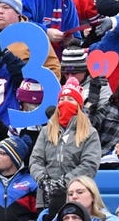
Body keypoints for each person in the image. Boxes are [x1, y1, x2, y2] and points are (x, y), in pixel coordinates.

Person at [29, 77, 101, 209]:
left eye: (70, 99)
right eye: (61, 99)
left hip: (77, 196)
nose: (65, 103)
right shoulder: (46, 131)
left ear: (79, 106)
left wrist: (64, 182)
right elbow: (35, 160)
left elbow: (89, 164)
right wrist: (44, 180)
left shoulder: (90, 133)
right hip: (46, 198)